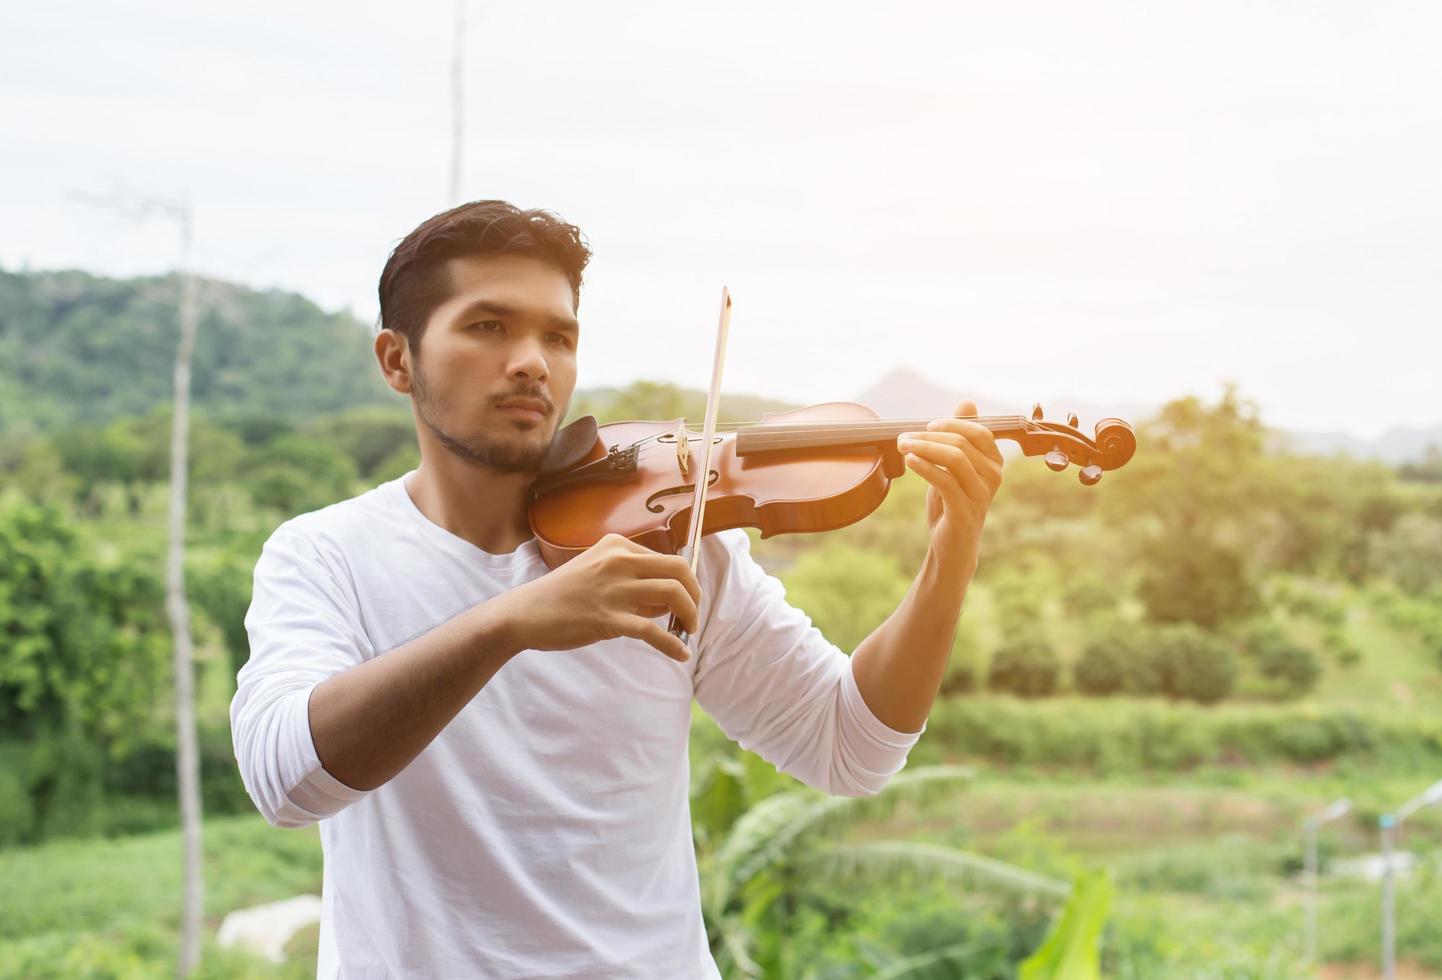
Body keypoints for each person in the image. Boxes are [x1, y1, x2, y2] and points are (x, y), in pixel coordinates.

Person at [231, 199, 1004, 979]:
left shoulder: (674, 540)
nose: (533, 360)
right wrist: (512, 621)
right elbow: (285, 779)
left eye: (558, 336)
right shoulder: (324, 554)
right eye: (488, 326)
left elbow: (850, 748)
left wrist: (947, 566)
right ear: (398, 360)